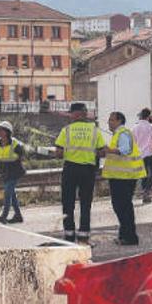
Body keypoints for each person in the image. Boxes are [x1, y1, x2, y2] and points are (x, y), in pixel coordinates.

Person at [55, 103, 106, 245]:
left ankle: (69, 236)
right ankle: (83, 237)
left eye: (71, 113)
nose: (70, 116)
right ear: (84, 113)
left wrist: (69, 152)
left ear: (76, 114)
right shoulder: (95, 130)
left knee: (67, 203)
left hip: (70, 169)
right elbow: (102, 151)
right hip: (87, 171)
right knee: (85, 203)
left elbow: (58, 153)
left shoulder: (66, 130)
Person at [103, 112, 146, 246]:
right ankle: (124, 235)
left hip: (124, 178)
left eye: (111, 120)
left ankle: (130, 237)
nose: (109, 122)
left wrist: (108, 150)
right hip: (121, 177)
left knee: (123, 207)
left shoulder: (123, 133)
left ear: (119, 121)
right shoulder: (119, 134)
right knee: (121, 207)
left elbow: (125, 150)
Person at [0, 121, 26, 224]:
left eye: (2, 130)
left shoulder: (15, 143)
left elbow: (21, 155)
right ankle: (18, 216)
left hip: (15, 172)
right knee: (11, 194)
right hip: (5, 173)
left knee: (7, 193)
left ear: (7, 132)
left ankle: (4, 216)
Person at [132, 108, 152, 204]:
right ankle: (146, 191)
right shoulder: (151, 126)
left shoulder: (135, 127)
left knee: (144, 175)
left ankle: (145, 193)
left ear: (140, 116)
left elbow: (133, 142)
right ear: (148, 116)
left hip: (139, 154)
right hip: (150, 153)